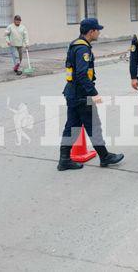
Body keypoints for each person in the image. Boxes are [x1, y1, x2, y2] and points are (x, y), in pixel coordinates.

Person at [57, 18, 124, 171]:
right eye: (97, 30)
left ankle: (64, 160)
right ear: (91, 31)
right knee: (94, 126)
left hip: (72, 93)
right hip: (81, 95)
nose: (99, 32)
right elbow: (81, 74)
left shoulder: (76, 44)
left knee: (72, 127)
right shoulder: (83, 49)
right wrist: (93, 93)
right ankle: (105, 156)